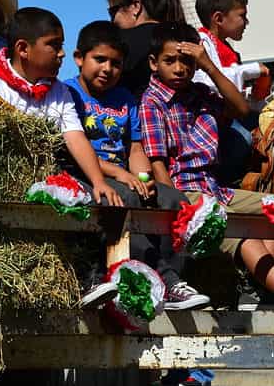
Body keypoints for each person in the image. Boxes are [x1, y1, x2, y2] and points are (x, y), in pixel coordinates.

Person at [139, 23, 274, 332]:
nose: (179, 68)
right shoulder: (152, 102)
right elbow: (158, 163)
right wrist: (180, 208)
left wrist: (208, 66)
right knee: (241, 233)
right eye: (170, 60)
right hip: (184, 193)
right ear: (153, 63)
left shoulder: (200, 94)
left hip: (214, 187)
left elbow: (241, 108)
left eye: (187, 61)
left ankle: (255, 282)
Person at [64, 21, 209, 311]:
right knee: (125, 198)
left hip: (124, 174)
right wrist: (121, 175)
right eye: (100, 60)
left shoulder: (126, 99)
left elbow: (134, 146)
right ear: (79, 58)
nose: (107, 69)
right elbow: (71, 149)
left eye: (116, 64)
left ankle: (174, 281)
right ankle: (159, 279)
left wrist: (143, 177)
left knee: (174, 200)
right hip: (87, 174)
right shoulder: (68, 93)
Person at [0, 8, 124, 305]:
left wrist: (98, 181)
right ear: (23, 48)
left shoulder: (57, 90)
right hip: (8, 183)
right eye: (54, 45)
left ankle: (89, 279)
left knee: (88, 198)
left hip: (50, 179)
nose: (61, 54)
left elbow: (74, 136)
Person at [193, 0, 269, 187]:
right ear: (218, 18)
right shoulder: (201, 41)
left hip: (230, 117)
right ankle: (227, 182)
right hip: (213, 123)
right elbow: (211, 81)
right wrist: (250, 70)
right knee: (244, 137)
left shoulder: (228, 49)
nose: (246, 21)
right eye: (242, 15)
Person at [106, 0, 186, 97]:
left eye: (113, 11)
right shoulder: (181, 37)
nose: (112, 20)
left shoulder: (118, 40)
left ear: (135, 7)